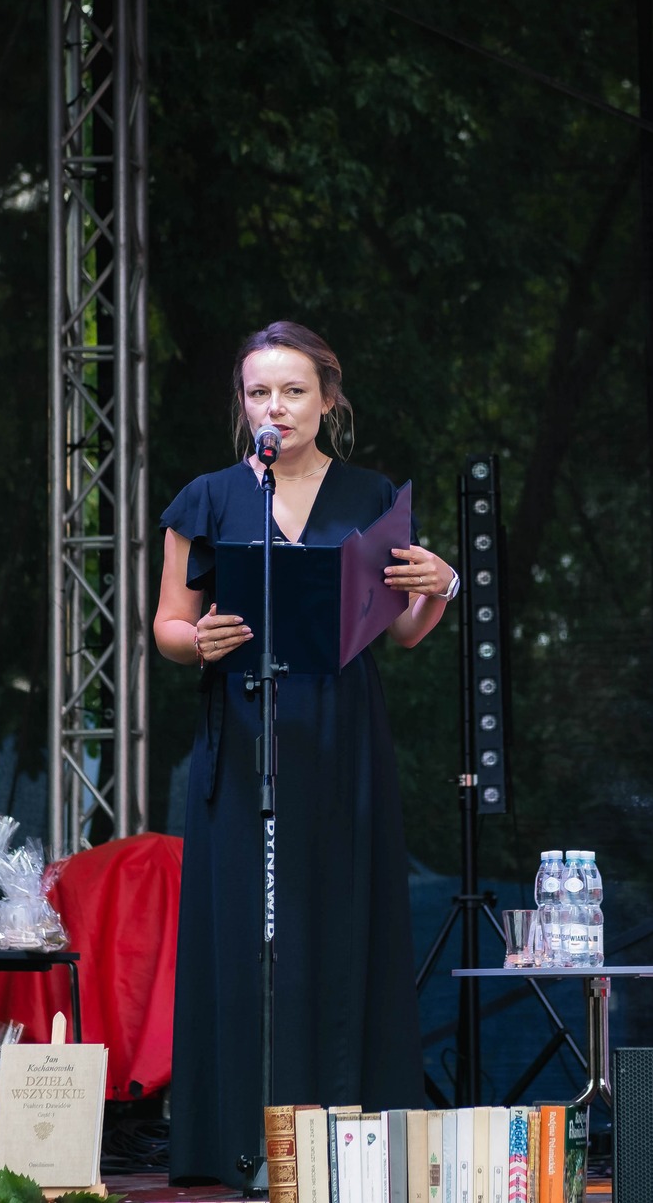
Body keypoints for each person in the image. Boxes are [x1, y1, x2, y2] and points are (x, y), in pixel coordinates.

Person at [153, 321, 457, 1186]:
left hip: (339, 730)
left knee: (338, 917)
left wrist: (439, 589)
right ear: (242, 403)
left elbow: (402, 631)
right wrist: (198, 641)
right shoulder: (210, 496)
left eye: (293, 391)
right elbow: (169, 622)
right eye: (259, 392)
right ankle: (241, 1138)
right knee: (247, 929)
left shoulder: (368, 495)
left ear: (328, 399)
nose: (275, 408)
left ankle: (346, 1137)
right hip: (244, 724)